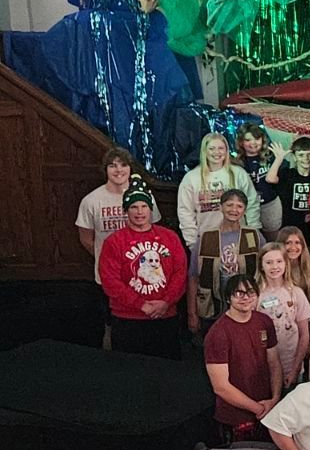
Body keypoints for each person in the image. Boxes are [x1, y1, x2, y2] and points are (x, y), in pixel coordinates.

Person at [98, 185, 187, 359]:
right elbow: (110, 281)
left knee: (168, 373)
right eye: (134, 207)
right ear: (126, 211)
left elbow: (180, 273)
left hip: (165, 317)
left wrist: (166, 302)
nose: (140, 212)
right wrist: (141, 305)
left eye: (144, 206)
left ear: (151, 209)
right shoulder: (114, 241)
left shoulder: (170, 237)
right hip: (127, 320)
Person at [77, 147, 158, 328]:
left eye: (123, 165)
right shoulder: (91, 201)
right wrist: (109, 259)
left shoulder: (145, 197)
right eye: (112, 166)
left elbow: (155, 232)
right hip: (108, 275)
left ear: (130, 169)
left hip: (143, 274)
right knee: (112, 323)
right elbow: (85, 238)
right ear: (105, 169)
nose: (118, 170)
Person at [205, 273, 283, 443]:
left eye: (250, 292)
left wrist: (275, 399)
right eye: (238, 293)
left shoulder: (264, 321)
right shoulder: (218, 333)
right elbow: (221, 387)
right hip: (236, 417)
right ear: (228, 298)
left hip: (268, 409)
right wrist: (258, 408)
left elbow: (274, 364)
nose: (245, 298)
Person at [187, 189, 262, 338]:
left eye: (239, 206)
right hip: (213, 307)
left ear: (245, 210)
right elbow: (193, 278)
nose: (234, 210)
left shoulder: (252, 236)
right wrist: (192, 314)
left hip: (245, 307)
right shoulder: (207, 238)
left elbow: (263, 272)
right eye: (229, 205)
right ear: (221, 207)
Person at [177, 132, 261, 248]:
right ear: (204, 151)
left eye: (221, 148)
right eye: (212, 148)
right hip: (207, 240)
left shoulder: (239, 174)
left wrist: (252, 238)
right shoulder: (191, 178)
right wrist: (193, 244)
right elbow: (185, 213)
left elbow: (252, 205)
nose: (217, 152)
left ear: (226, 150)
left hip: (238, 238)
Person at [257, 243, 310, 386]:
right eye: (269, 262)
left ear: (286, 263)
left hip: (291, 365)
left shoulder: (296, 293)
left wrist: (295, 369)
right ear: (261, 265)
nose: (274, 266)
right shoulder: (256, 296)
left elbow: (304, 334)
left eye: (279, 261)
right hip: (264, 368)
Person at [267, 137, 310, 243]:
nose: (305, 158)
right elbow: (270, 178)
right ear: (294, 157)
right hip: (290, 225)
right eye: (301, 155)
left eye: (309, 154)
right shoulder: (288, 174)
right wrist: (279, 159)